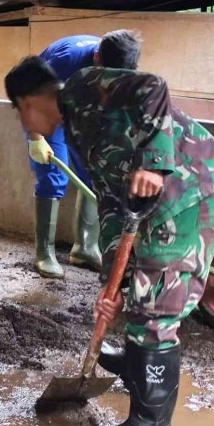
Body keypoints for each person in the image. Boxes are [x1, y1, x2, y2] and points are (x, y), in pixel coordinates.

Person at [4, 30, 214, 426]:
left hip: (193, 196)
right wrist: (111, 278)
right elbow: (111, 202)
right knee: (136, 290)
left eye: (20, 116)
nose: (26, 126)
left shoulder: (82, 88)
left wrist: (152, 161)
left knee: (155, 309)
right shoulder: (78, 130)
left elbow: (153, 87)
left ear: (27, 103)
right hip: (166, 207)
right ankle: (136, 365)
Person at [28, 32, 139, 279]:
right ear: (96, 56)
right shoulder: (65, 61)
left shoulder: (118, 60)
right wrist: (36, 138)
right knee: (53, 176)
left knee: (94, 172)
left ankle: (85, 249)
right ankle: (44, 253)